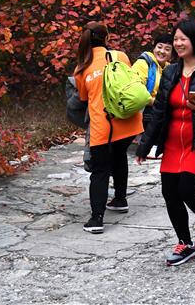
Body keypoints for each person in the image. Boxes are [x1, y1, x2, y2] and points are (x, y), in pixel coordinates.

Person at [135, 19, 195, 266]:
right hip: (172, 143)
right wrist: (145, 145)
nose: (177, 44)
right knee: (169, 193)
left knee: (186, 189)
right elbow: (159, 112)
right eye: (175, 39)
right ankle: (185, 244)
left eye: (182, 39)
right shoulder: (170, 72)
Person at [74, 22, 142, 233]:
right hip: (129, 121)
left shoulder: (81, 68)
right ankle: (120, 199)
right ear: (107, 37)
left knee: (100, 171)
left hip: (103, 125)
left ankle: (96, 220)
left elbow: (84, 98)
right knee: (120, 156)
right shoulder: (120, 56)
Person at [132, 33, 174, 141]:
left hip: (160, 110)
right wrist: (156, 102)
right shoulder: (143, 64)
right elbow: (136, 92)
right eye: (159, 47)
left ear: (172, 54)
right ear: (154, 48)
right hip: (145, 111)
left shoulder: (170, 69)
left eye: (167, 49)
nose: (162, 51)